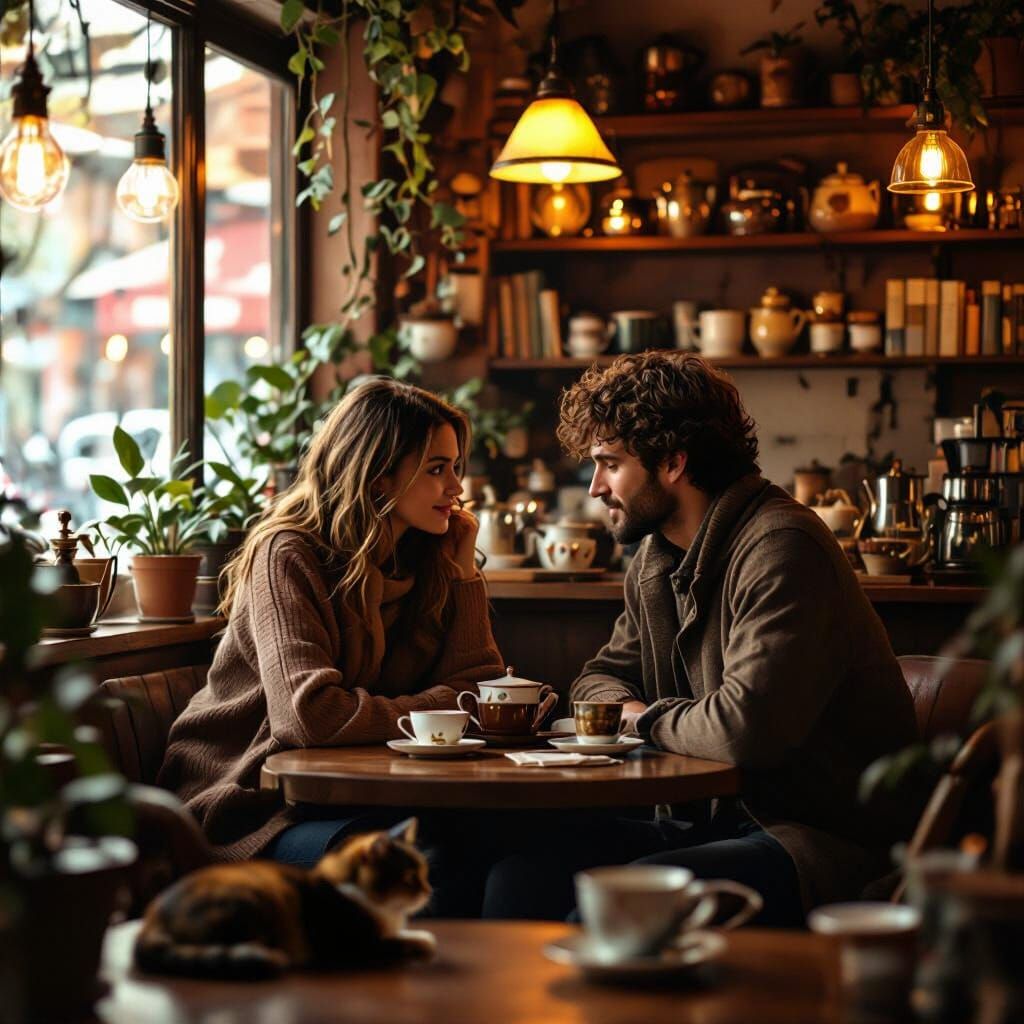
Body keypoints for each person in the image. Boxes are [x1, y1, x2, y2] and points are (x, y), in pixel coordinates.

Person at [482, 351, 920, 926]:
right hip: (705, 821)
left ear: (672, 463)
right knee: (517, 878)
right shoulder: (655, 558)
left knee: (615, 907)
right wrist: (635, 709)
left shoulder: (783, 546)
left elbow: (743, 731)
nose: (594, 488)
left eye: (609, 464)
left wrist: (641, 718)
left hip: (815, 838)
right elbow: (594, 681)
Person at [158, 378, 505, 886]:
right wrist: (439, 708)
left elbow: (479, 693)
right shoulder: (287, 554)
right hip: (251, 807)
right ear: (380, 477)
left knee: (497, 843)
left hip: (354, 797)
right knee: (429, 863)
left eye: (456, 468)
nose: (457, 488)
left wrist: (464, 576)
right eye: (437, 469)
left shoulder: (426, 559)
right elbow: (311, 717)